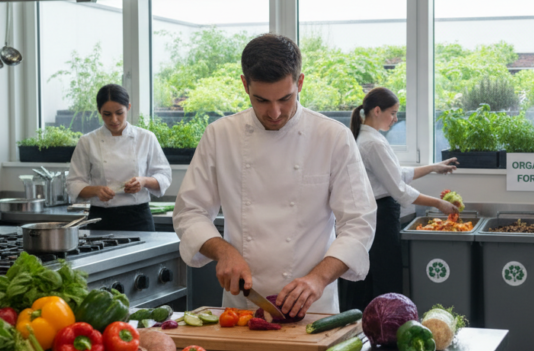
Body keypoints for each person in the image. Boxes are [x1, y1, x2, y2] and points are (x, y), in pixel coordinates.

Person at [172, 33, 376, 318]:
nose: (275, 112)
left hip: (312, 309)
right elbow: (189, 212)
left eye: (285, 98)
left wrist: (317, 279)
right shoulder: (221, 135)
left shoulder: (332, 137)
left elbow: (358, 222)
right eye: (262, 100)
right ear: (245, 85)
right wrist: (223, 251)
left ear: (300, 82)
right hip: (242, 308)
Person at [341, 87, 459, 311]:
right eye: (393, 113)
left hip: (378, 214)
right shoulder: (372, 143)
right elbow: (399, 190)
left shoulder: (369, 138)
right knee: (384, 277)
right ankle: (384, 327)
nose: (395, 119)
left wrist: (435, 167)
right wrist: (439, 203)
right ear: (377, 110)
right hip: (380, 216)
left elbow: (397, 173)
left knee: (378, 276)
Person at [67, 84, 171, 232]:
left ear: (128, 107)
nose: (114, 119)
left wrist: (143, 181)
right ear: (99, 111)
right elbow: (73, 183)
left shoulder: (146, 137)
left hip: (139, 217)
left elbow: (164, 176)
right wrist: (96, 190)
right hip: (101, 218)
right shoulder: (88, 141)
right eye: (107, 114)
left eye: (119, 113)